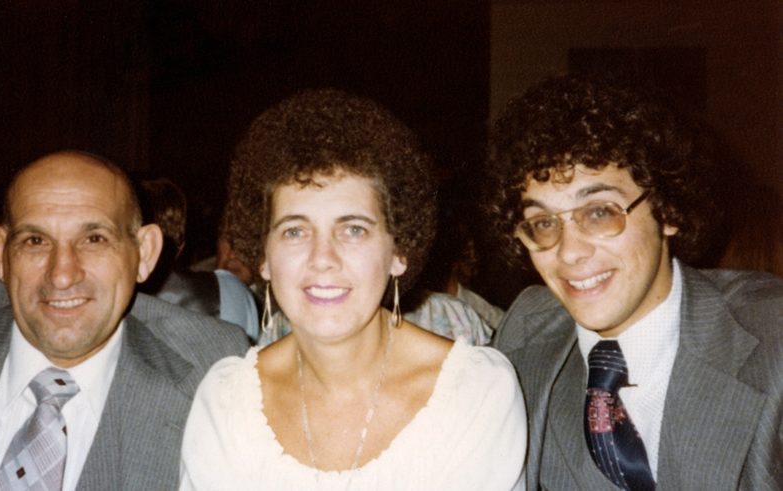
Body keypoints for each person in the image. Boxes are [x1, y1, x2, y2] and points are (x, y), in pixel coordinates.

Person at [180, 89, 526, 490]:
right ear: (264, 258)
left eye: (353, 229)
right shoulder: (228, 401)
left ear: (399, 251)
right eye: (295, 230)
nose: (322, 257)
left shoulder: (475, 393)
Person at [0, 151, 249, 490]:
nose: (61, 275)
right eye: (35, 241)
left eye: (93, 238)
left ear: (144, 254)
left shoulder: (213, 374)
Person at [486, 74, 783, 490]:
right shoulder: (525, 336)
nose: (569, 252)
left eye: (599, 212)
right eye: (544, 222)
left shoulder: (772, 337)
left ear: (669, 210)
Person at [137, 177, 260, 342]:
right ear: (182, 246)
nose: (233, 253)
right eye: (227, 239)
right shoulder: (229, 290)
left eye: (244, 241)